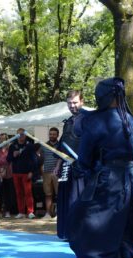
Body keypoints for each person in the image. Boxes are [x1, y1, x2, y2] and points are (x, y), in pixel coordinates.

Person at [67, 77, 133, 258]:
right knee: (125, 214)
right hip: (131, 175)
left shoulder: (97, 120)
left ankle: (99, 253)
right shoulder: (128, 117)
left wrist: (82, 166)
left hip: (111, 177)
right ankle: (126, 252)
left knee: (86, 212)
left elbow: (85, 155)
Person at [54, 90, 86, 240]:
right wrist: (58, 164)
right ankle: (66, 231)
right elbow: (62, 145)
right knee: (65, 198)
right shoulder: (67, 123)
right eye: (69, 103)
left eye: (75, 102)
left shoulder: (87, 120)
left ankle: (78, 232)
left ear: (82, 102)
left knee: (77, 198)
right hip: (66, 166)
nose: (72, 106)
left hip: (81, 167)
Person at [7, 129, 39, 219]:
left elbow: (34, 160)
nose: (21, 136)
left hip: (26, 173)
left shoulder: (29, 145)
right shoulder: (12, 146)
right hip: (16, 172)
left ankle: (30, 212)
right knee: (18, 193)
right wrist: (13, 155)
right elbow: (8, 159)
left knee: (28, 193)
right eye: (19, 135)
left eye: (23, 134)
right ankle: (21, 212)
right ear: (16, 135)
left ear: (25, 135)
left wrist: (32, 171)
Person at [0, 133, 17, 218]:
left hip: (10, 173)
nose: (2, 140)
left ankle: (8, 211)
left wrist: (4, 167)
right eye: (0, 139)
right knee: (0, 192)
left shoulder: (10, 148)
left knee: (9, 193)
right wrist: (0, 172)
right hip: (0, 173)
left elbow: (10, 160)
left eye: (4, 139)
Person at [40, 128, 60, 219]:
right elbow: (41, 159)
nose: (52, 136)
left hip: (57, 173)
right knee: (48, 194)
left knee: (59, 194)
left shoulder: (61, 145)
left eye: (54, 134)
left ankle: (58, 214)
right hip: (46, 172)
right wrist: (42, 172)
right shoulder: (44, 146)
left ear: (57, 135)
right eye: (50, 134)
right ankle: (48, 213)